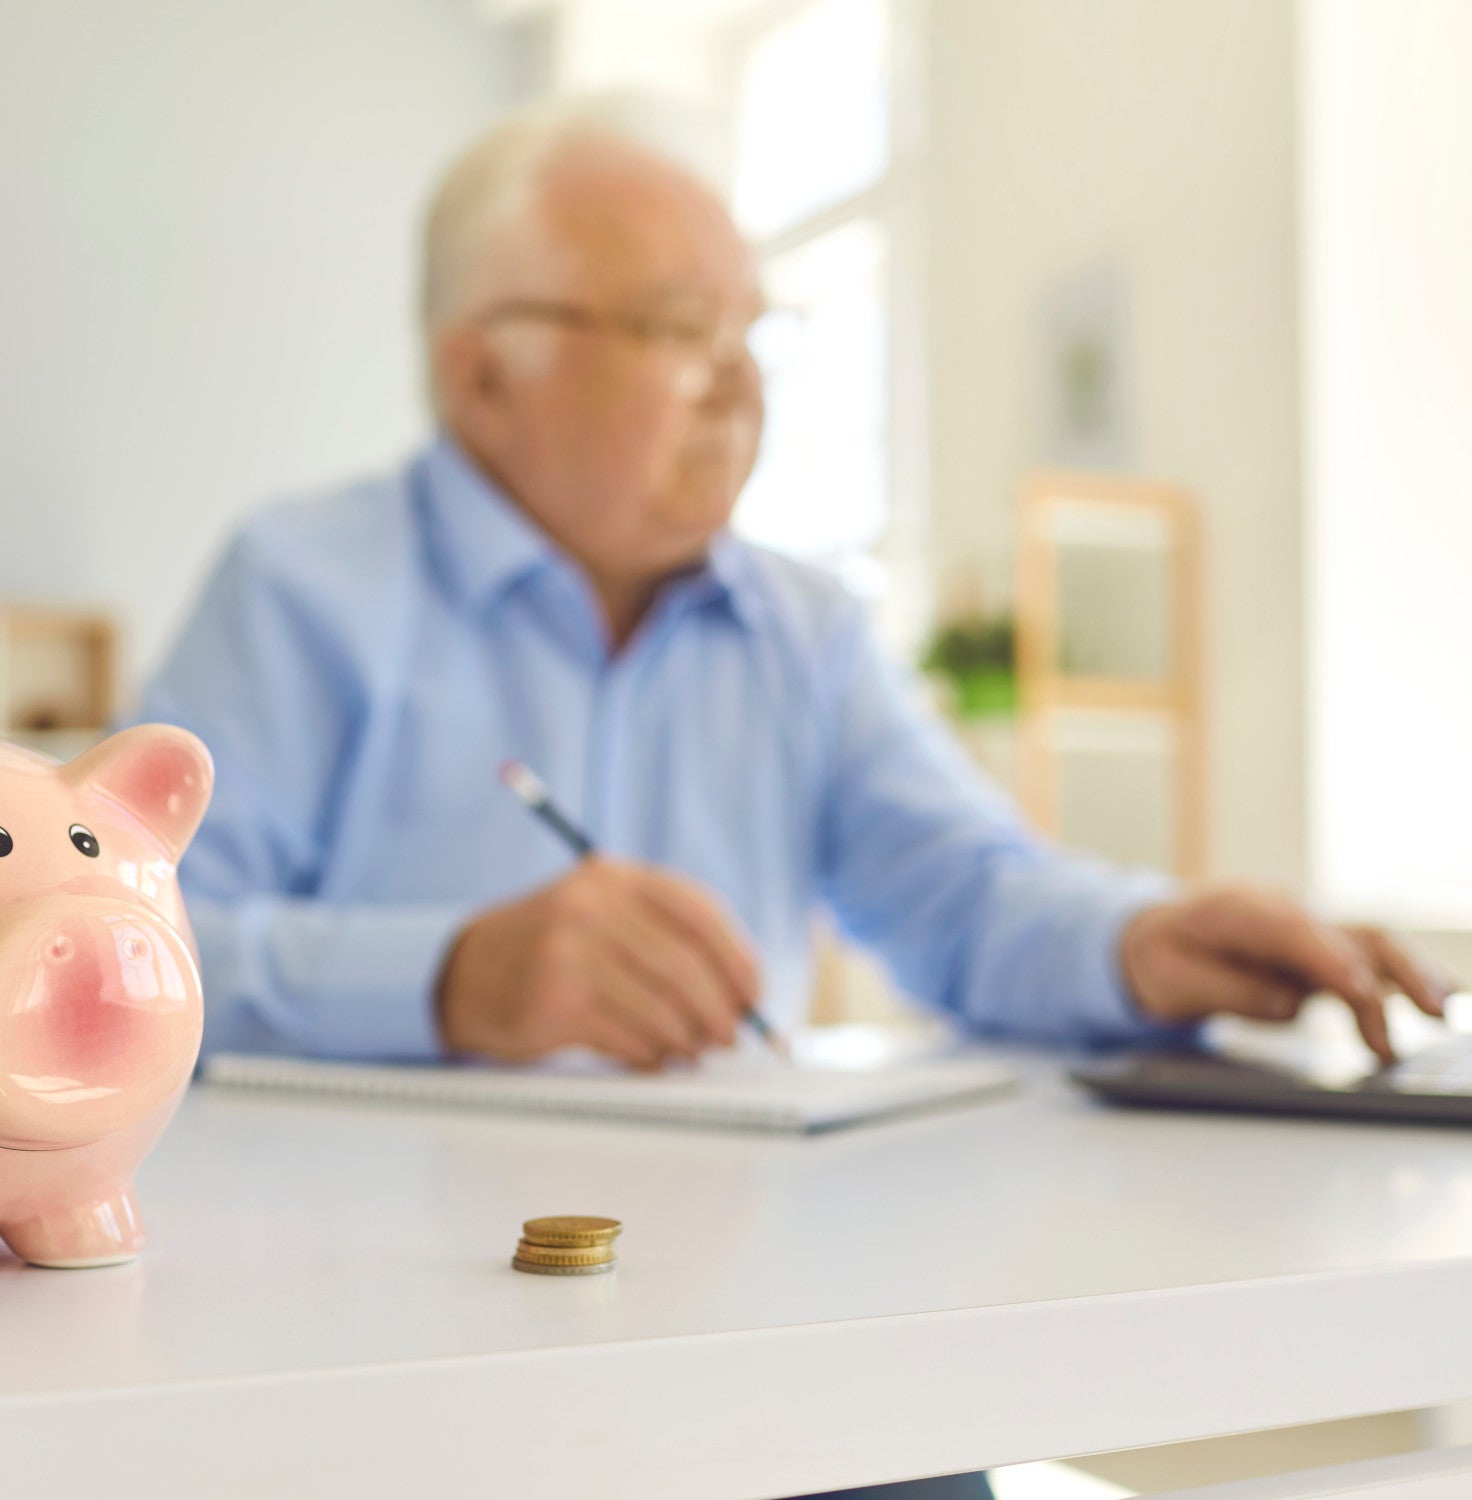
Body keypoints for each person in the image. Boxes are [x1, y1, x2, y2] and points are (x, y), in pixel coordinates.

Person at [134, 101, 1449, 1498]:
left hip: (741, 1304)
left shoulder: (807, 628)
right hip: (377, 1333)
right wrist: (450, 978)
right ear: (485, 376)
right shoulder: (298, 587)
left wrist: (1139, 943)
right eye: (684, 329)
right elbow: (124, 950)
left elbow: (965, 892)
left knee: (927, 1454)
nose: (742, 383)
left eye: (758, 333)